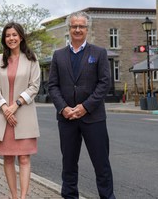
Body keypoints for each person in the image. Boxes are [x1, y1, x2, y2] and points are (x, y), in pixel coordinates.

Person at [48, 11, 116, 199]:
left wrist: (85, 107)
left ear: (87, 29)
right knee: (68, 165)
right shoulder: (58, 55)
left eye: (81, 26)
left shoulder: (99, 53)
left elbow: (104, 83)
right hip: (67, 119)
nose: (77, 29)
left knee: (101, 165)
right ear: (69, 29)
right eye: (74, 26)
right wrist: (63, 108)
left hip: (93, 118)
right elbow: (52, 85)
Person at [0, 22, 41, 199]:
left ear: (21, 37)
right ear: (4, 39)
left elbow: (34, 86)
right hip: (4, 117)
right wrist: (5, 108)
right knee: (9, 158)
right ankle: (14, 196)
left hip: (23, 114)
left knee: (24, 158)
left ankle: (23, 197)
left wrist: (15, 104)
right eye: (8, 35)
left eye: (14, 35)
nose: (11, 38)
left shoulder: (32, 58)